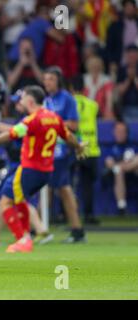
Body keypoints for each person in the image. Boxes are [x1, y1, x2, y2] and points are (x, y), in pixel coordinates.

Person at [0, 86, 86, 253]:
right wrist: (79, 147)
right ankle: (26, 237)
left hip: (29, 169)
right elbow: (68, 136)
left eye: (23, 97)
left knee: (5, 201)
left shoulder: (32, 120)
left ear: (30, 101)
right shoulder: (54, 118)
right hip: (46, 172)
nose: (21, 100)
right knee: (19, 200)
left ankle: (22, 239)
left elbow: (11, 134)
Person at [43, 66, 86, 243]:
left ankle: (38, 229)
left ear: (58, 81)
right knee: (60, 189)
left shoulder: (66, 99)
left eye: (51, 79)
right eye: (45, 79)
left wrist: (52, 123)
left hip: (63, 150)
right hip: (50, 150)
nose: (47, 82)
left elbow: (74, 125)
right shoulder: (45, 100)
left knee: (58, 188)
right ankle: (76, 230)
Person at [70, 76, 102, 225]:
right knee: (87, 185)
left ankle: (66, 215)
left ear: (71, 89)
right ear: (84, 88)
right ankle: (88, 215)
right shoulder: (93, 105)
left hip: (73, 147)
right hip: (91, 149)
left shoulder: (69, 104)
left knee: (67, 185)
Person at [102, 121, 138, 215]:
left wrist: (124, 165)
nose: (120, 134)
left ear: (126, 133)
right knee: (118, 170)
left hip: (133, 171)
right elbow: (109, 163)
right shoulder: (110, 147)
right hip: (116, 174)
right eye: (118, 131)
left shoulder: (133, 145)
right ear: (114, 132)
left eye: (122, 131)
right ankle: (121, 207)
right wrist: (124, 165)